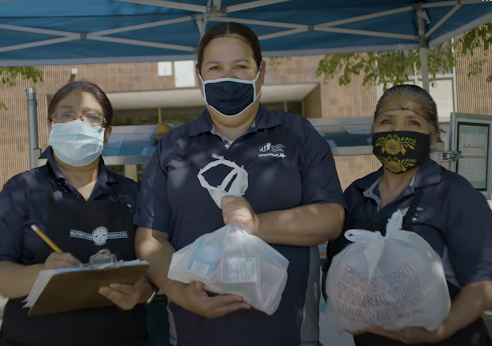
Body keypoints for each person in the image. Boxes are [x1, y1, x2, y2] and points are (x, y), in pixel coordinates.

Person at [133, 22, 346, 346]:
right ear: (199, 77)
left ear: (260, 74)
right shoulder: (173, 146)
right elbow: (150, 239)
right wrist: (179, 292)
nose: (227, 77)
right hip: (194, 333)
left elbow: (332, 217)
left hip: (287, 334)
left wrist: (258, 224)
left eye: (240, 67)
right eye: (215, 67)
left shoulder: (297, 134)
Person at [322, 84, 492, 346]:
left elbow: (485, 281)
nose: (397, 131)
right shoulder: (356, 194)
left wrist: (439, 331)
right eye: (386, 121)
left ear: (432, 137)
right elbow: (337, 266)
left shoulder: (454, 193)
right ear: (373, 131)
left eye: (413, 122)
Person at [0, 81, 156, 346]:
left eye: (91, 116)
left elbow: (153, 266)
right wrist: (39, 276)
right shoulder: (22, 190)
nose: (78, 122)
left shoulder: (132, 194)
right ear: (52, 126)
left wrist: (141, 291)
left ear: (106, 134)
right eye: (66, 114)